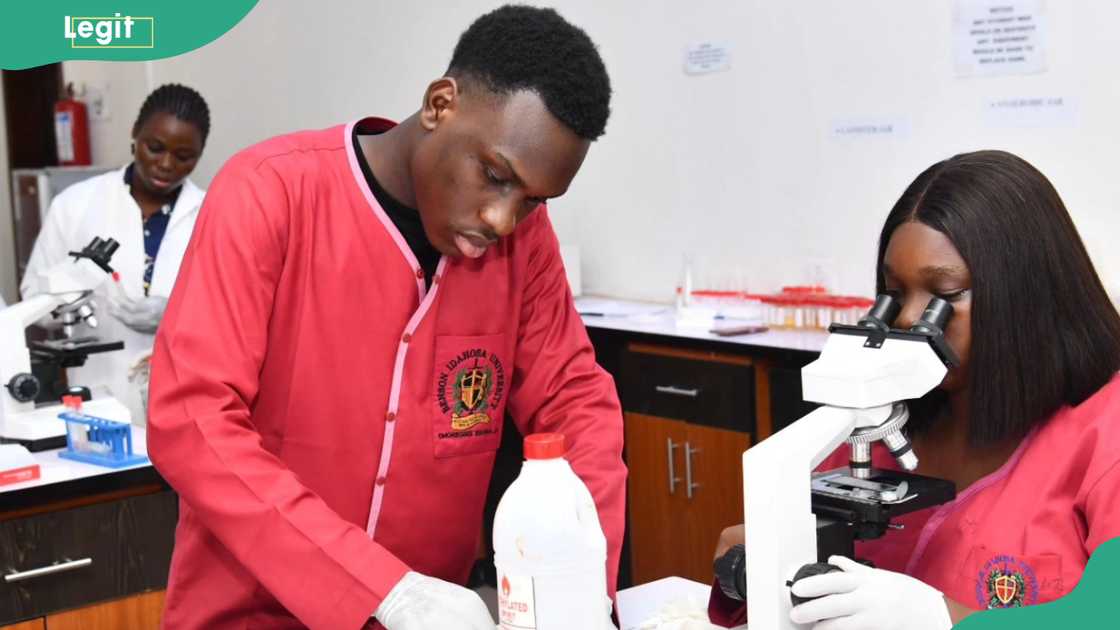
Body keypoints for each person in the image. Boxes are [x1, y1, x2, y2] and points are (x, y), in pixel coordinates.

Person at [146, 6, 626, 630]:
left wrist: (585, 593)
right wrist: (382, 590)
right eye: (494, 176)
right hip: (249, 614)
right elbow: (192, 419)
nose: (504, 220)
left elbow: (575, 401)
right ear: (439, 104)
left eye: (533, 201)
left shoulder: (522, 246)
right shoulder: (272, 194)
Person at [709, 150, 1120, 629]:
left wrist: (943, 621)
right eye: (895, 295)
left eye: (943, 297)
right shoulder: (882, 419)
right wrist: (757, 572)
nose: (906, 320)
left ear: (1025, 295)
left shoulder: (1104, 429)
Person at [21, 84, 209, 424]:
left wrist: (178, 313)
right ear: (135, 134)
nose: (166, 164)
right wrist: (64, 305)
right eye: (155, 147)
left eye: (184, 157)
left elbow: (233, 313)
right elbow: (34, 297)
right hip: (99, 398)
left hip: (186, 404)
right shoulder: (76, 204)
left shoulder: (212, 213)